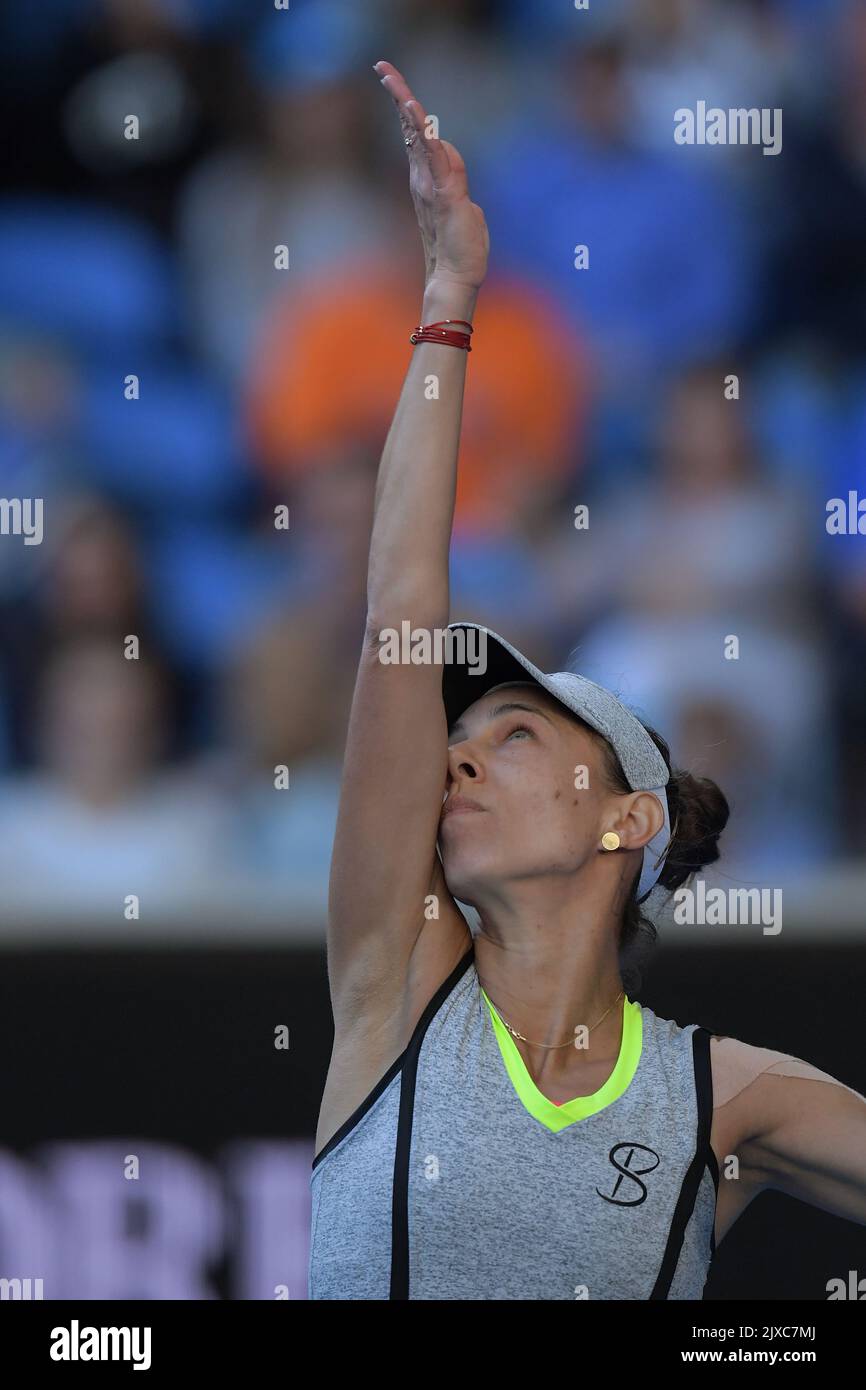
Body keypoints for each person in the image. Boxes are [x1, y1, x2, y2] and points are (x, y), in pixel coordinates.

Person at [307, 61, 866, 1301]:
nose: (453, 754)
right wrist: (448, 293)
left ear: (628, 816)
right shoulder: (393, 982)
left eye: (512, 734)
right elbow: (401, 609)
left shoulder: (730, 1096)